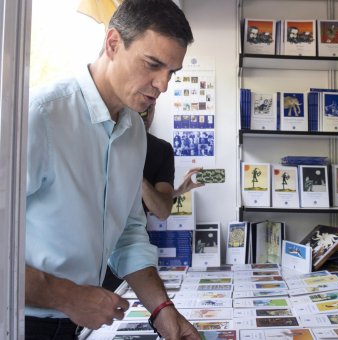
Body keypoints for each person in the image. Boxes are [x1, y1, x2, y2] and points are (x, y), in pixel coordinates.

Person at [25, 0, 199, 338]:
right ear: (113, 44)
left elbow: (129, 233)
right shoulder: (39, 115)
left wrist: (164, 311)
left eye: (171, 73)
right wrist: (68, 296)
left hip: (72, 324)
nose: (162, 85)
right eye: (152, 64)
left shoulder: (134, 130)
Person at [102, 103, 205, 291]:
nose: (146, 113)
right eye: (141, 107)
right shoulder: (102, 141)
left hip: (132, 247)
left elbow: (161, 210)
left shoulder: (160, 149)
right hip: (96, 245)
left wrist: (133, 170)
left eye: (151, 107)